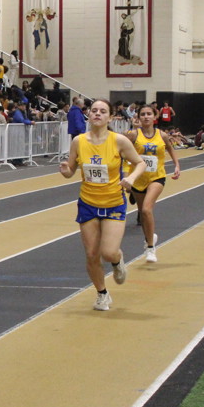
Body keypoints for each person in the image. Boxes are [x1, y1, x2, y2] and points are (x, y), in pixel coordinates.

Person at [58, 99, 146, 311]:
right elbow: (71, 170)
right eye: (94, 110)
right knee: (91, 254)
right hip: (88, 202)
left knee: (108, 252)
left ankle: (117, 260)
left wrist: (131, 178)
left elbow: (140, 163)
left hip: (113, 202)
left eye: (103, 111)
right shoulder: (79, 141)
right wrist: (66, 171)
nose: (97, 113)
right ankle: (102, 294)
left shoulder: (119, 141)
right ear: (89, 115)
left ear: (110, 117)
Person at [125, 105, 181, 263]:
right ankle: (149, 237)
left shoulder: (162, 135)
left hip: (157, 177)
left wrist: (177, 165)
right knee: (143, 214)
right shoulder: (133, 135)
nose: (146, 116)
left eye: (149, 114)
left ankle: (150, 248)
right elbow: (122, 152)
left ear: (154, 116)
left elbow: (170, 148)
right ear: (138, 117)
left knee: (147, 209)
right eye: (143, 114)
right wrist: (126, 175)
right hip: (138, 178)